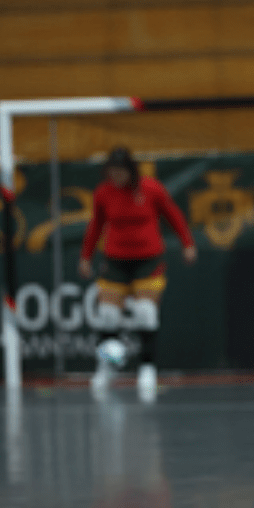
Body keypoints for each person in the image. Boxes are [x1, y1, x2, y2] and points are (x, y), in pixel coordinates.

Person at [79, 147, 197, 397]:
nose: (116, 176)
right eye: (112, 171)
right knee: (108, 315)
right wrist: (86, 257)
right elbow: (96, 225)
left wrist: (187, 243)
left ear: (130, 171)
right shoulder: (103, 194)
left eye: (121, 171)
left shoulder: (151, 189)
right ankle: (106, 368)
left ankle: (147, 368)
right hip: (115, 260)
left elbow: (173, 215)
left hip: (147, 260)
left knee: (145, 313)